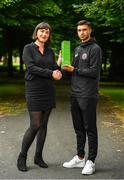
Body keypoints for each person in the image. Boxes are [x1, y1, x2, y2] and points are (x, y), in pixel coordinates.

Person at [17, 22, 62, 172]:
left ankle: (38, 156)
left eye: (47, 32)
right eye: (42, 31)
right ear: (36, 32)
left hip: (48, 90)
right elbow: (31, 68)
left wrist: (59, 68)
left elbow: (53, 67)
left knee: (43, 125)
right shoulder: (28, 48)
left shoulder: (50, 51)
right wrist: (51, 73)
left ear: (49, 35)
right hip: (34, 90)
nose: (44, 34)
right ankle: (22, 156)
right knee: (35, 125)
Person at [62, 20, 102, 175]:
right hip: (75, 94)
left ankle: (91, 161)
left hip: (88, 95)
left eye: (84, 30)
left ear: (90, 30)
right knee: (78, 128)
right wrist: (60, 66)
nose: (81, 33)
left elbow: (93, 72)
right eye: (79, 30)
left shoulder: (95, 48)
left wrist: (75, 69)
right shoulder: (77, 48)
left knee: (90, 128)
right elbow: (71, 70)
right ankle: (80, 157)